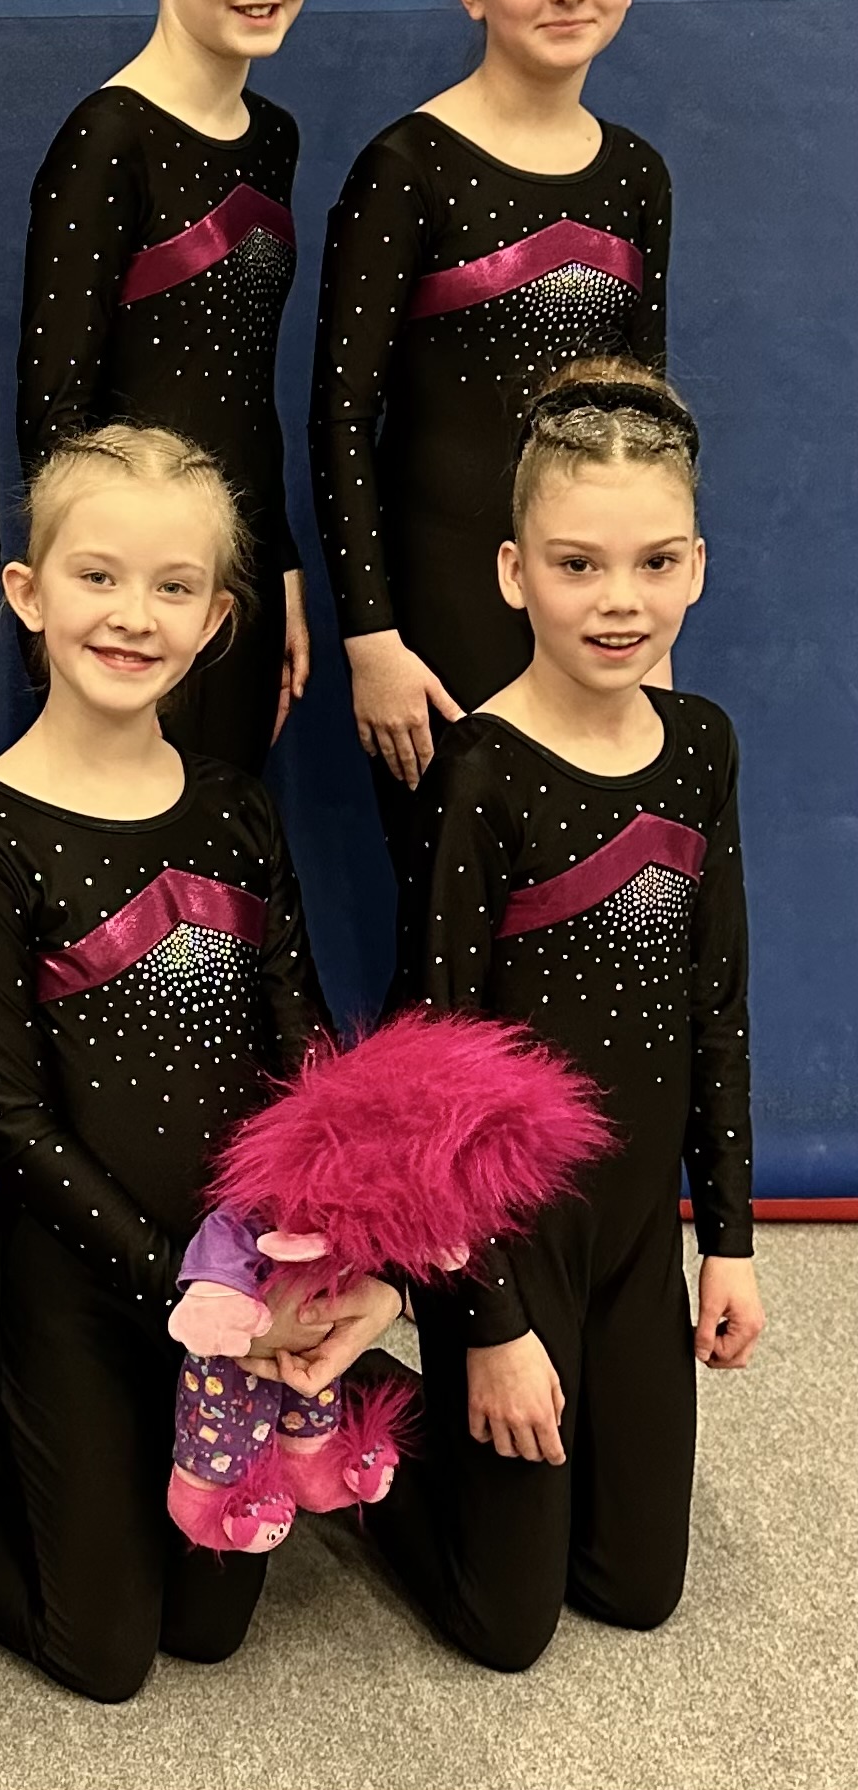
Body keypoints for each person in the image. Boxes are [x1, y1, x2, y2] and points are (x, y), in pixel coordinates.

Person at [0, 425, 400, 1699]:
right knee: (102, 1651)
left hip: (236, 1277)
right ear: (28, 592)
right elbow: (12, 1127)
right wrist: (190, 1293)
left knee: (207, 1626)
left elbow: (306, 1053)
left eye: (172, 587)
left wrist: (322, 1267)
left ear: (216, 621)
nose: (131, 614)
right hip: (86, 1287)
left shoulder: (236, 809)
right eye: (97, 576)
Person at [368, 358, 762, 1671]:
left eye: (654, 563)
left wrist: (732, 1241)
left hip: (635, 1230)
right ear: (513, 572)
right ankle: (358, 1403)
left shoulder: (700, 746)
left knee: (636, 1587)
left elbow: (717, 1001)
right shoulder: (479, 773)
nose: (619, 600)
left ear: (696, 567)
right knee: (508, 1624)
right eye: (578, 564)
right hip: (505, 1233)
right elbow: (430, 1070)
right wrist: (489, 1325)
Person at [309, 0, 671, 862]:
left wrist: (654, 619)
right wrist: (373, 637)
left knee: (583, 892)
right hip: (443, 609)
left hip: (596, 599)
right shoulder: (408, 168)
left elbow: (648, 422)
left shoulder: (636, 175)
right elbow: (342, 416)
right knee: (462, 898)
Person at [19, 0, 316, 771]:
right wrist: (95, 606)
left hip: (231, 581)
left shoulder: (272, 139)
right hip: (133, 607)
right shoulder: (109, 138)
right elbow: (55, 413)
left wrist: (278, 565)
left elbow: (246, 388)